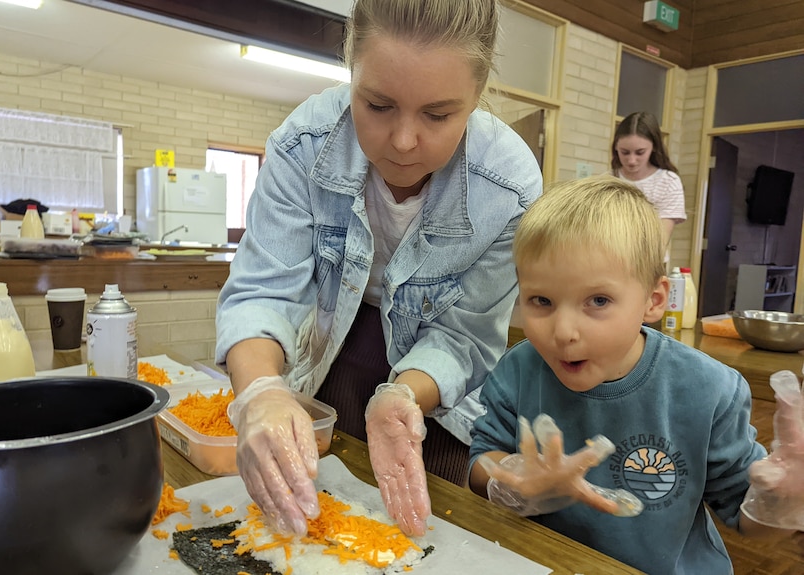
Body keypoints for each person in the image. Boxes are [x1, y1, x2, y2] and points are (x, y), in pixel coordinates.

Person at [215, 0, 542, 539]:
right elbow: (262, 292)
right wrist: (260, 394)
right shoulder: (304, 144)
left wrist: (402, 395)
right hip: (325, 360)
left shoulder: (507, 188)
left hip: (434, 400)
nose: (404, 141)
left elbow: (464, 338)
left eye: (438, 115)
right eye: (377, 104)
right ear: (350, 72)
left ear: (477, 99)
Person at [468, 176, 803, 575]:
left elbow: (744, 516)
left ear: (653, 300)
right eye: (541, 300)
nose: (563, 332)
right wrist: (514, 482)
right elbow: (480, 460)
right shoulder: (519, 369)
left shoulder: (709, 390)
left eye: (598, 300)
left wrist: (783, 500)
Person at [611, 111, 685, 254]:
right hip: (609, 262)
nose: (631, 160)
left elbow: (660, 242)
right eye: (625, 152)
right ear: (615, 148)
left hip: (647, 264)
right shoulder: (607, 180)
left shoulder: (668, 181)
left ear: (654, 147)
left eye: (640, 152)